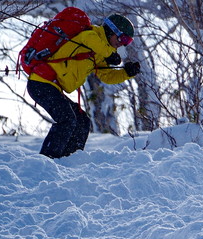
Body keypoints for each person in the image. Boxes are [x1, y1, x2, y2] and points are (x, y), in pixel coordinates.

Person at [27, 13, 141, 159]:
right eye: (123, 38)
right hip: (40, 83)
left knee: (82, 121)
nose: (123, 44)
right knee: (67, 118)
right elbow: (88, 40)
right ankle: (46, 161)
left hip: (52, 87)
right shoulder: (90, 34)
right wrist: (108, 55)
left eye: (128, 41)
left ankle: (68, 161)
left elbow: (106, 76)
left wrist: (127, 73)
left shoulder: (100, 52)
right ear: (112, 31)